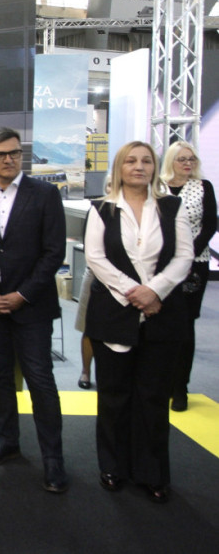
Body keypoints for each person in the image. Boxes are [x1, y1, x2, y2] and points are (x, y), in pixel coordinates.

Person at [84, 141, 193, 503]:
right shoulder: (101, 209)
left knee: (153, 397)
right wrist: (135, 293)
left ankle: (152, 473)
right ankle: (113, 467)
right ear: (119, 168)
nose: (139, 166)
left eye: (146, 161)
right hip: (114, 313)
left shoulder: (172, 207)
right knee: (113, 396)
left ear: (155, 168)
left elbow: (184, 257)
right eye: (130, 161)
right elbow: (96, 259)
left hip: (163, 315)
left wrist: (155, 291)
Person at [0, 126, 68, 493]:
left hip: (32, 308)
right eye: (1, 154)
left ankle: (53, 458)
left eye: (15, 153)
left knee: (40, 380)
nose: (9, 159)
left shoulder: (45, 194)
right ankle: (7, 441)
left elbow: (54, 252)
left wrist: (22, 295)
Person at [160, 140, 217, 412]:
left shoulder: (203, 187)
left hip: (195, 264)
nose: (188, 163)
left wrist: (186, 255)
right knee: (159, 323)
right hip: (159, 264)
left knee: (184, 325)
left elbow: (210, 224)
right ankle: (160, 383)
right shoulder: (157, 186)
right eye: (182, 159)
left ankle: (180, 387)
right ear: (171, 161)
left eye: (192, 159)